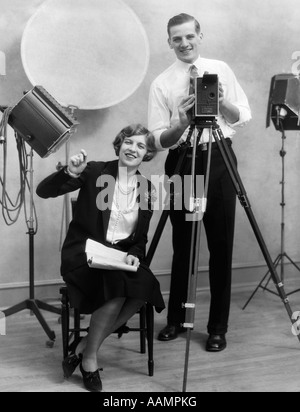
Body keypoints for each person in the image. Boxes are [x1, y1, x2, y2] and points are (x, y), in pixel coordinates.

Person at [148, 13, 251, 351]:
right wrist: (179, 122)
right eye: (176, 39)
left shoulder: (221, 69)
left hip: (218, 157)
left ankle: (218, 327)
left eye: (189, 36)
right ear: (169, 42)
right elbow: (158, 140)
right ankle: (176, 319)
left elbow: (242, 117)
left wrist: (221, 102)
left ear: (199, 35)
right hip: (184, 159)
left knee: (221, 246)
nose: (184, 43)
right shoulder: (161, 83)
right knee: (184, 244)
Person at [36, 124, 165, 392]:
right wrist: (69, 172)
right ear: (119, 145)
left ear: (147, 154)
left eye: (141, 146)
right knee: (117, 287)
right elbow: (44, 191)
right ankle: (89, 361)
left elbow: (140, 239)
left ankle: (82, 346)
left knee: (145, 285)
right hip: (83, 256)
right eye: (129, 142)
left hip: (116, 259)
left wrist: (133, 255)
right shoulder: (95, 171)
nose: (133, 149)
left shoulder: (147, 189)